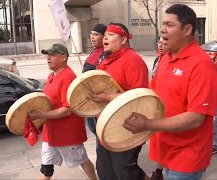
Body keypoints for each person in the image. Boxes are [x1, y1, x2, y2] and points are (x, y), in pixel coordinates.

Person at [123, 4, 217, 180]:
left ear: (187, 29)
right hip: (165, 148)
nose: (162, 29)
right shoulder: (166, 58)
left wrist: (147, 124)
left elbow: (196, 117)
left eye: (169, 24)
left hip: (187, 155)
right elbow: (151, 94)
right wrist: (115, 100)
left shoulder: (202, 65)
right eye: (163, 24)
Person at [89, 23, 149, 180]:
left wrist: (106, 98)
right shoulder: (106, 60)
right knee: (104, 171)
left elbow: (138, 96)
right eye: (105, 34)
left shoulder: (132, 60)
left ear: (123, 39)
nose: (105, 37)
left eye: (111, 34)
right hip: (106, 127)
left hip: (126, 128)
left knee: (125, 173)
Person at [27, 44, 97, 180]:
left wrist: (41, 115)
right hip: (51, 132)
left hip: (66, 133)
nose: (48, 58)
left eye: (52, 55)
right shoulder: (52, 76)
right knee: (46, 168)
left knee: (81, 160)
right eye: (47, 55)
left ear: (64, 57)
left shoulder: (67, 77)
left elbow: (67, 110)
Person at [82, 23, 107, 146]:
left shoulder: (105, 54)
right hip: (88, 96)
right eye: (91, 34)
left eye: (96, 34)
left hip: (99, 98)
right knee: (92, 127)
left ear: (104, 36)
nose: (92, 37)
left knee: (100, 130)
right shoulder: (93, 52)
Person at [150, 36, 168, 180]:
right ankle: (160, 169)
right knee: (161, 140)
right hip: (157, 103)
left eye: (164, 42)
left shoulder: (170, 59)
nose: (160, 45)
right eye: (159, 42)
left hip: (167, 106)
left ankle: (159, 170)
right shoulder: (158, 59)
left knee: (165, 138)